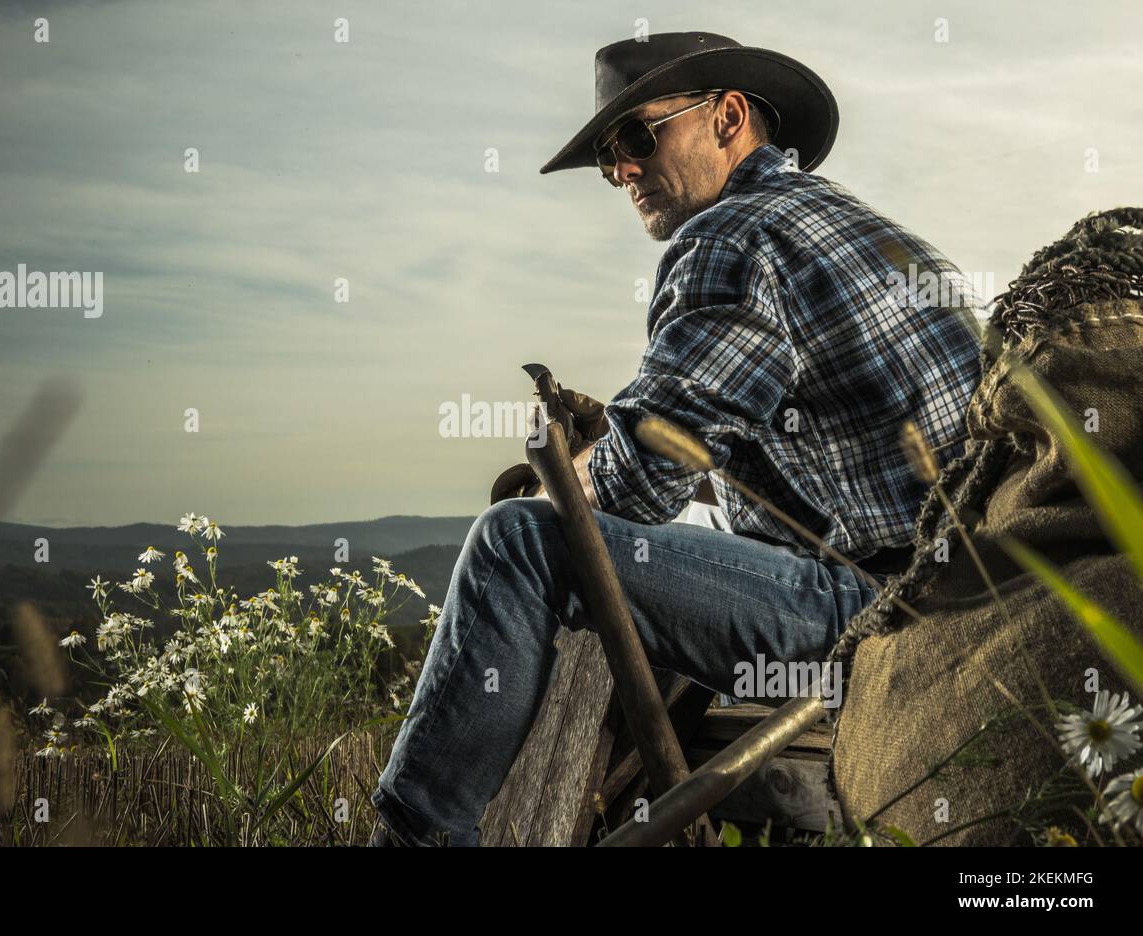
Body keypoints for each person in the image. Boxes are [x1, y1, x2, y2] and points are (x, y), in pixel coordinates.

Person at [369, 31, 982, 846]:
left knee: (516, 544)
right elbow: (803, 457)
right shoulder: (861, 229)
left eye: (634, 138)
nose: (620, 170)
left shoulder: (732, 236)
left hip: (875, 618)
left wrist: (558, 478)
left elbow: (635, 482)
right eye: (605, 157)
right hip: (960, 600)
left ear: (728, 117)